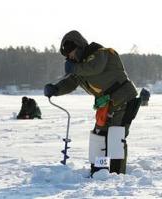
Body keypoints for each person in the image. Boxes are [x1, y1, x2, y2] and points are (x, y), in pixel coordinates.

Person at [44, 30, 141, 176]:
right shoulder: (80, 67)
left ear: (80, 45)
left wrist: (75, 68)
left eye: (71, 53)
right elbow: (71, 81)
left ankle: (117, 175)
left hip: (124, 99)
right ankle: (99, 171)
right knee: (99, 136)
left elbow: (95, 68)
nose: (70, 57)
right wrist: (56, 89)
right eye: (67, 56)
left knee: (115, 137)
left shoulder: (102, 54)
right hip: (106, 104)